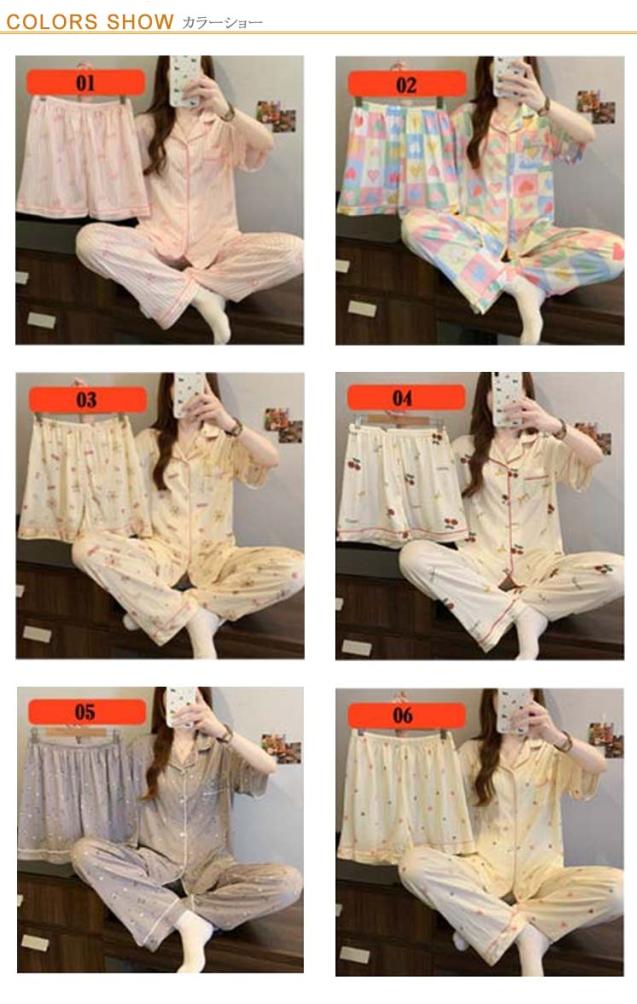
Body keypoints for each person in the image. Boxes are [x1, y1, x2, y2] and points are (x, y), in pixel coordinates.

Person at [72, 374, 304, 658]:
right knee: (84, 549)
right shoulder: (149, 441)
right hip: (159, 555)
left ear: (209, 388)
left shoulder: (225, 440)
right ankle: (185, 613)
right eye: (179, 381)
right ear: (168, 390)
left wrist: (228, 422)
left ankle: (177, 609)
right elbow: (107, 483)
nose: (188, 390)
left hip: (217, 559)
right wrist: (88, 423)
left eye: (196, 381)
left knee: (298, 570)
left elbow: (270, 459)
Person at [71, 688, 302, 973]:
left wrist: (221, 731)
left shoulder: (222, 747)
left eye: (189, 691)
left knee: (289, 882)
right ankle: (186, 920)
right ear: (161, 699)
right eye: (173, 690)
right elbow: (100, 773)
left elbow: (276, 762)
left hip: (213, 872)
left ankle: (185, 912)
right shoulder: (140, 749)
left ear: (203, 697)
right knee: (83, 852)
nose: (182, 699)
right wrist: (80, 735)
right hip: (154, 868)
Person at [75, 56, 303, 343]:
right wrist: (85, 107)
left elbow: (266, 142)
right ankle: (201, 296)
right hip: (156, 242)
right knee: (88, 241)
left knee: (297, 252)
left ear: (206, 74)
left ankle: (177, 289)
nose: (186, 74)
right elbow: (100, 162)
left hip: (218, 245)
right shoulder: (144, 126)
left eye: (194, 65)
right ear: (165, 75)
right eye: (177, 66)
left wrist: (225, 109)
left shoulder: (224, 124)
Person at [399, 373, 623, 659]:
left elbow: (598, 453)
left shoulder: (546, 444)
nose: (506, 397)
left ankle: (512, 607)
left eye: (516, 389)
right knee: (412, 556)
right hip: (479, 566)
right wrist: (403, 426)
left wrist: (553, 425)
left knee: (622, 573)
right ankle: (523, 612)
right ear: (484, 397)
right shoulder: (463, 447)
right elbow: (422, 479)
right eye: (496, 388)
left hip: (541, 568)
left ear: (528, 396)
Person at [399, 690, 623, 977]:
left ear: (534, 697)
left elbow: (598, 765)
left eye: (522, 689)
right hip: (481, 871)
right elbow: (432, 791)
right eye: (504, 691)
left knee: (622, 891)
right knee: (412, 865)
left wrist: (555, 736)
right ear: (492, 699)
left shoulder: (551, 752)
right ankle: (527, 933)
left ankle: (486, 922)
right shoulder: (472, 752)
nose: (513, 697)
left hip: (542, 877)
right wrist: (404, 738)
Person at [401, 57, 624, 344]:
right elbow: (427, 148)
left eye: (517, 58)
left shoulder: (543, 119)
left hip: (534, 239)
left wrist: (543, 103)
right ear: (488, 66)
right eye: (500, 57)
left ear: (528, 67)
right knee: (413, 225)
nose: (509, 64)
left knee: (617, 253)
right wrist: (407, 97)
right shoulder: (467, 117)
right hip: (480, 234)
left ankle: (516, 278)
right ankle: (519, 285)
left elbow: (587, 134)